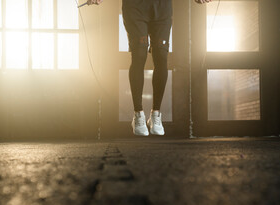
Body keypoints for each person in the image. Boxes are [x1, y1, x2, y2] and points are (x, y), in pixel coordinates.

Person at [89, 0, 212, 136]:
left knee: (161, 56)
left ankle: (156, 115)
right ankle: (138, 114)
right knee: (139, 54)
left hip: (162, 7)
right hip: (134, 6)